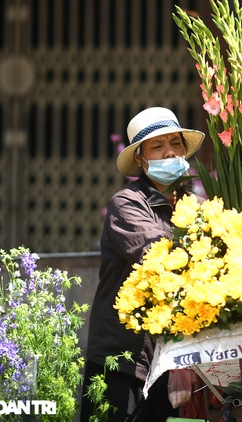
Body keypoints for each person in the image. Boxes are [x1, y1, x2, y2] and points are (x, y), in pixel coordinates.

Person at [80, 107, 205, 421]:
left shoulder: (198, 205)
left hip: (172, 355)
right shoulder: (127, 203)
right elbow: (159, 255)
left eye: (175, 144)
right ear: (140, 158)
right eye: (157, 146)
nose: (169, 153)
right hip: (121, 355)